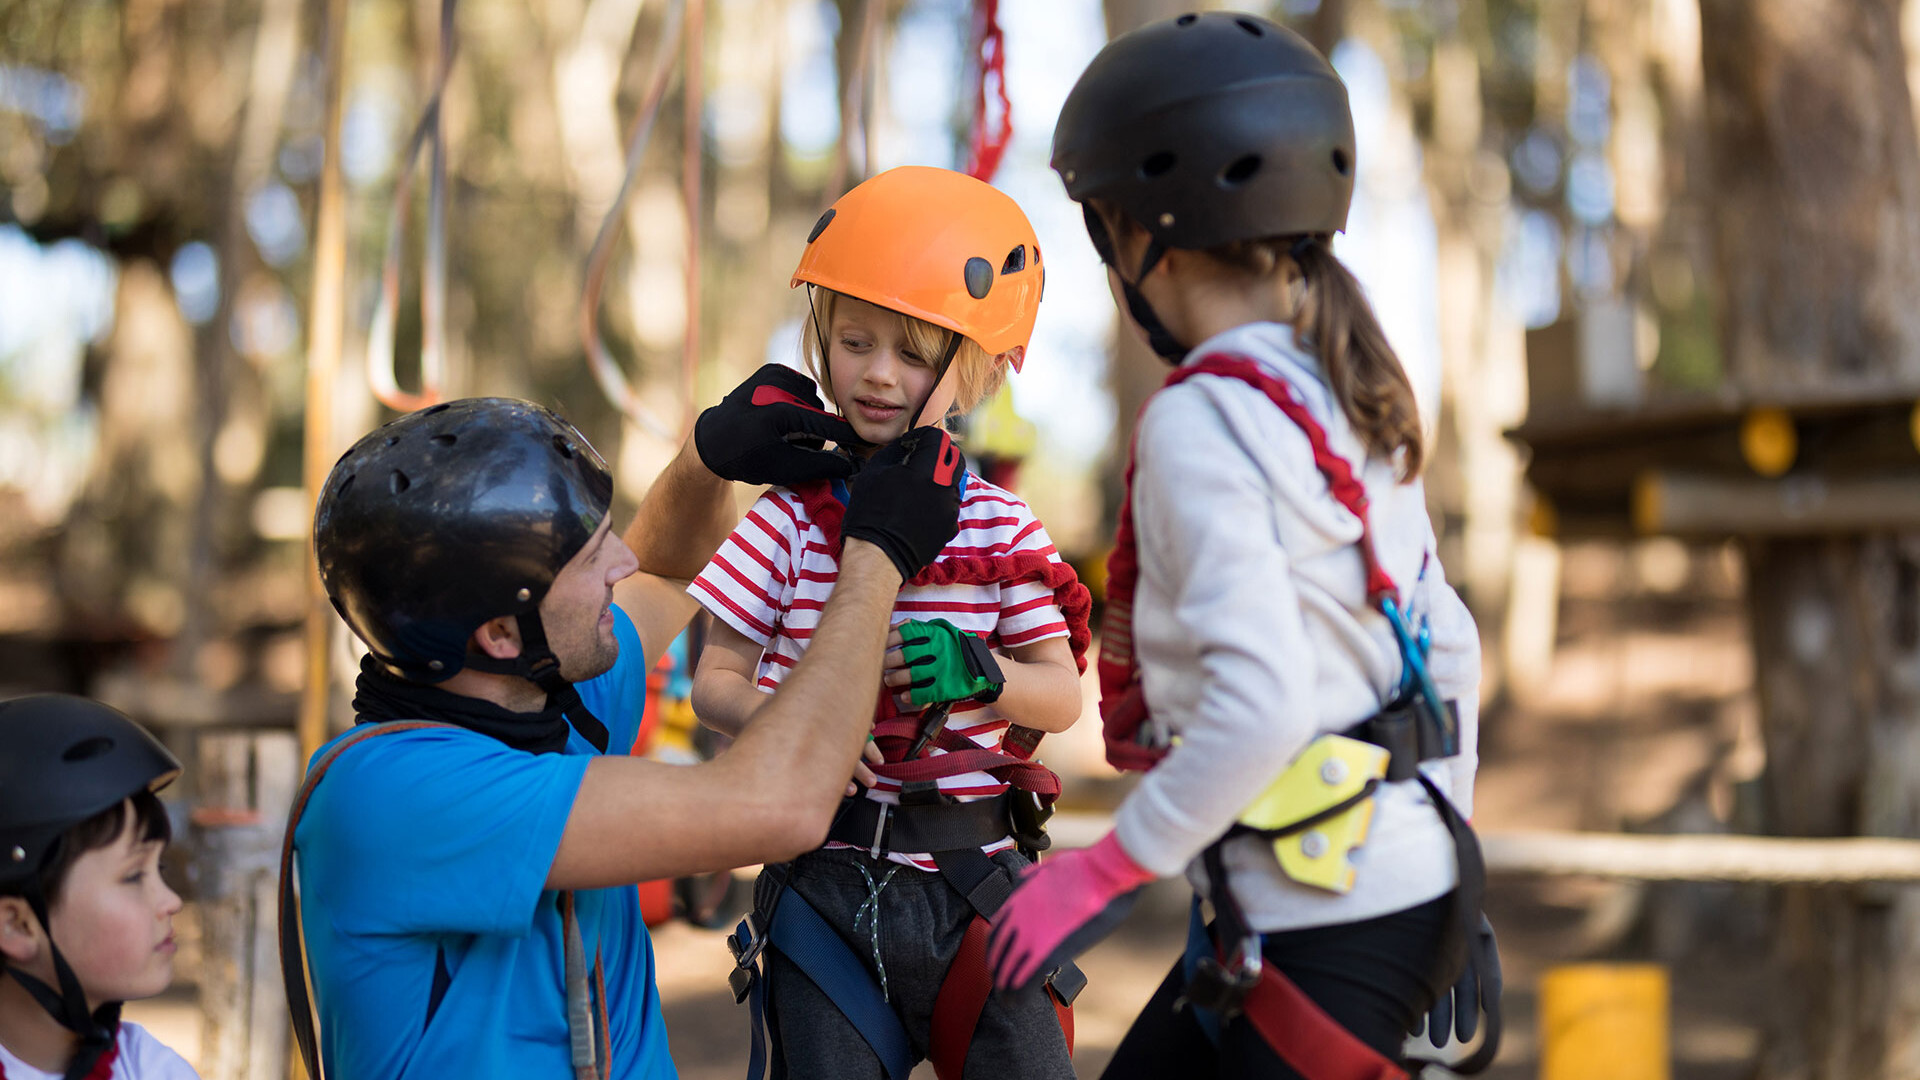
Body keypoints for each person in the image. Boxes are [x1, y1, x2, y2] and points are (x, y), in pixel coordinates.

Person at [985, 13, 1499, 1080]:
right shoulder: (1349, 387)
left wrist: (1106, 871)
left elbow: (1259, 705)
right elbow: (1445, 647)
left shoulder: (1200, 419)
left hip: (1331, 920)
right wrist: (1453, 859)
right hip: (1371, 891)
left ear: (1142, 238)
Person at [285, 369, 965, 1080]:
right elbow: (782, 805)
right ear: (498, 633)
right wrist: (876, 559)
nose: (624, 561)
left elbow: (667, 572)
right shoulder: (395, 797)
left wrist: (705, 462)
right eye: (591, 556)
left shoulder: (541, 704)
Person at [690, 166, 1089, 1080]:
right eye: (855, 341)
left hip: (975, 889)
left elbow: (1061, 695)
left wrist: (979, 668)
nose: (877, 373)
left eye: (913, 354)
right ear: (819, 340)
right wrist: (784, 724)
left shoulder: (1002, 528)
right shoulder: (786, 519)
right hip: (822, 885)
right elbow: (716, 679)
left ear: (977, 369)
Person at [0, 694, 200, 1080]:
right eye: (133, 876)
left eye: (158, 868)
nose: (172, 901)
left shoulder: (152, 1072)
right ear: (17, 925)